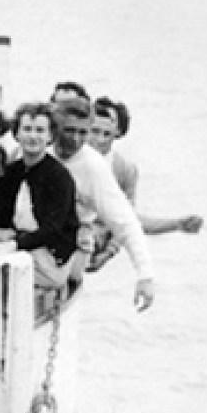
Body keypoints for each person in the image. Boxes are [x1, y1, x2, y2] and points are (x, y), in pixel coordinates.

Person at [52, 96, 156, 311]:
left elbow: (125, 221)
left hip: (73, 245)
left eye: (83, 132)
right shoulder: (37, 151)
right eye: (69, 130)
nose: (76, 139)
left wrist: (145, 275)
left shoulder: (93, 166)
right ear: (55, 127)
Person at [0, 103, 80, 292]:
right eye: (27, 129)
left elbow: (53, 228)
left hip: (49, 255)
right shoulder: (11, 172)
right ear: (16, 134)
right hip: (18, 244)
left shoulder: (59, 177)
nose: (33, 136)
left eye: (40, 130)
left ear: (50, 136)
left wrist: (14, 243)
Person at [90, 96, 203, 244]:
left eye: (107, 128)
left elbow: (128, 221)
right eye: (95, 129)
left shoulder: (125, 170)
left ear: (118, 130)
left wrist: (176, 224)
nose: (100, 138)